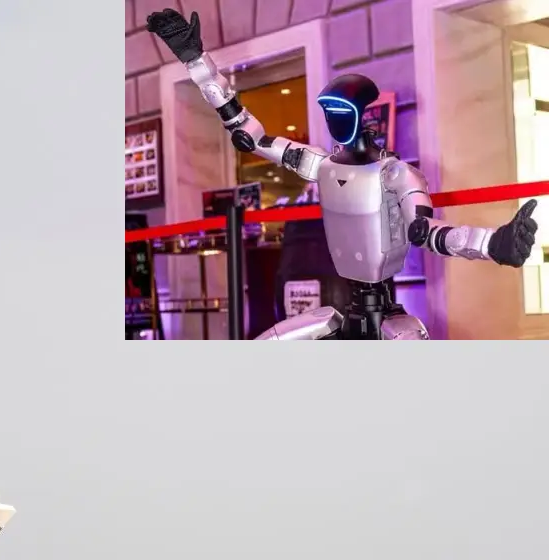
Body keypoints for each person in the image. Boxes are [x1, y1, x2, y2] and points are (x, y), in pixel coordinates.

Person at [145, 8, 540, 339]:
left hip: (391, 318)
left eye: (340, 111)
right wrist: (198, 63)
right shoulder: (322, 165)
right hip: (339, 306)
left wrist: (494, 244)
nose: (333, 120)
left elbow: (427, 232)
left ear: (360, 114)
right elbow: (252, 136)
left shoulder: (395, 174)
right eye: (328, 111)